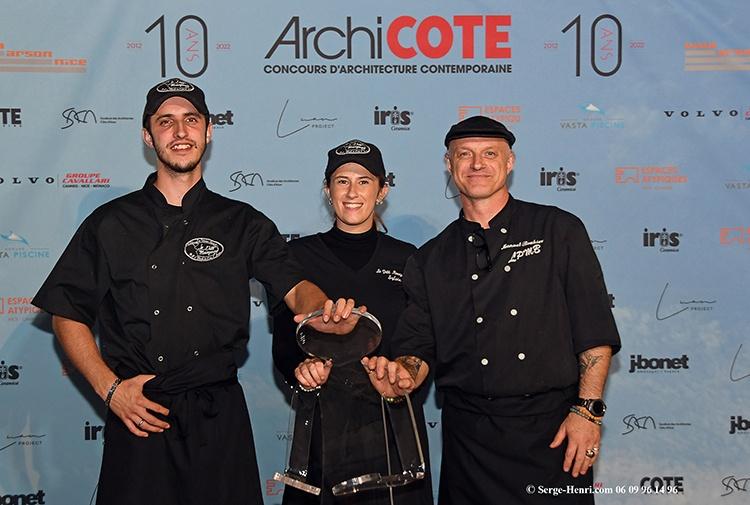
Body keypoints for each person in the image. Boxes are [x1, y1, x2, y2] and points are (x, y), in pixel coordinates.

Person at [32, 78, 357, 505]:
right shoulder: (109, 223)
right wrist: (111, 390)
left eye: (191, 119)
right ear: (147, 136)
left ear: (209, 130)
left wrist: (322, 312)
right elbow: (67, 312)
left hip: (218, 416)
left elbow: (296, 289)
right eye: (165, 121)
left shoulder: (243, 222)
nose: (180, 131)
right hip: (140, 413)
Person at [363, 116, 621, 504]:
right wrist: (403, 378)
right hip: (469, 443)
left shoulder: (558, 230)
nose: (477, 164)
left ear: (510, 162)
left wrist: (587, 413)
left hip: (554, 433)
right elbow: (418, 349)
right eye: (464, 154)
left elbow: (594, 331)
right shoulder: (429, 259)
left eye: (489, 154)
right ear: (449, 165)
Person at [272, 139, 433, 505]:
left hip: (393, 433)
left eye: (364, 181)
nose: (352, 192)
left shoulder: (409, 259)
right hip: (321, 433)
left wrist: (404, 373)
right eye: (342, 181)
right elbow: (284, 343)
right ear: (327, 190)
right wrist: (303, 369)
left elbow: (422, 343)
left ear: (382, 190)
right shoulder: (295, 257)